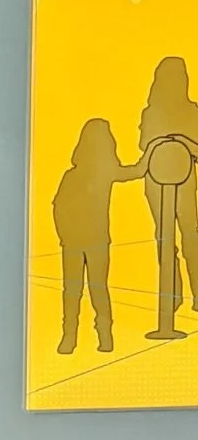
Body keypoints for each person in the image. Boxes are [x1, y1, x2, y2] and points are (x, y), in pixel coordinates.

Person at [51, 118, 143, 354]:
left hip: (78, 241)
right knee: (96, 289)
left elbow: (57, 207)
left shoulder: (78, 174)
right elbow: (136, 171)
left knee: (73, 290)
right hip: (89, 241)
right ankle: (100, 337)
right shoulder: (101, 173)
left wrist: (64, 234)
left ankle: (72, 337)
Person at [139, 56, 198, 311]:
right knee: (165, 239)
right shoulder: (151, 112)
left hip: (184, 181)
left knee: (190, 237)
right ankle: (172, 296)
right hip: (156, 181)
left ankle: (196, 293)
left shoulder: (192, 111)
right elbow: (144, 146)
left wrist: (181, 142)